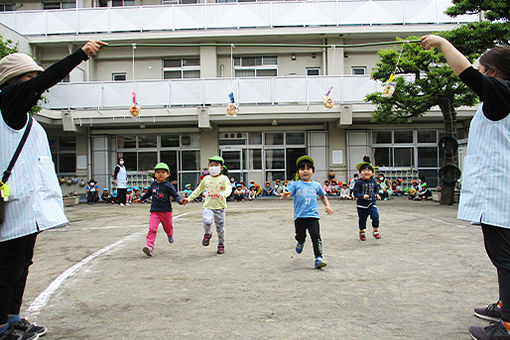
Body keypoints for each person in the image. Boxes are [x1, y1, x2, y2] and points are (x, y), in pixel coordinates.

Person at [0, 40, 106, 340]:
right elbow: (45, 81)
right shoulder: (8, 101)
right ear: (15, 82)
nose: (37, 85)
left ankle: (13, 319)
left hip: (25, 206)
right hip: (13, 205)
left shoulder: (20, 113)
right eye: (30, 78)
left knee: (21, 264)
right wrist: (80, 55)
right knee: (8, 267)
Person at [421, 34, 510, 340]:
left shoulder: (502, 93)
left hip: (499, 193)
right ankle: (504, 304)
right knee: (501, 253)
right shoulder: (500, 97)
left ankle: (508, 324)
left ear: (493, 74)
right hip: (497, 191)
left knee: (503, 255)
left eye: (481, 69)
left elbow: (468, 74)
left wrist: (443, 44)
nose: (477, 72)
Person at [281, 155, 333, 269]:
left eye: (308, 169)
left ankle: (318, 258)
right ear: (298, 172)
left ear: (313, 171)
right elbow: (288, 192)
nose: (305, 171)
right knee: (300, 235)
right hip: (299, 217)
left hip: (313, 216)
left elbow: (323, 196)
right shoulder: (295, 184)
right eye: (302, 169)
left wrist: (328, 206)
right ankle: (300, 242)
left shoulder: (316, 185)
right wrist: (286, 194)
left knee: (316, 236)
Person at [182, 156, 232, 254]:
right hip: (208, 206)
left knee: (220, 229)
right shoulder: (206, 179)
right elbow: (198, 190)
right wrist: (189, 198)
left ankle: (221, 244)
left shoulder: (224, 178)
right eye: (211, 165)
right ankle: (207, 233)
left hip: (220, 208)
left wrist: (223, 194)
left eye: (216, 165)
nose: (213, 167)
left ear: (221, 167)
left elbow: (229, 189)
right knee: (207, 221)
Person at [137, 162, 183, 257]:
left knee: (168, 228)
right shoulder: (153, 184)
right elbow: (148, 193)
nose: (160, 174)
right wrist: (141, 198)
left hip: (166, 212)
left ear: (168, 174)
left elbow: (175, 195)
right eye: (158, 172)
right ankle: (150, 246)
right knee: (152, 229)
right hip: (155, 211)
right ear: (155, 174)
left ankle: (170, 235)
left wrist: (180, 201)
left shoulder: (168, 185)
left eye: (163, 172)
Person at [353, 157, 382, 241]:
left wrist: (377, 194)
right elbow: (355, 193)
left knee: (375, 216)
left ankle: (375, 230)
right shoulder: (358, 182)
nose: (366, 172)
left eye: (369, 171)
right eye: (364, 170)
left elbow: (376, 188)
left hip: (371, 203)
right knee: (362, 219)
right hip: (361, 205)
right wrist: (362, 196)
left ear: (372, 173)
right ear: (360, 173)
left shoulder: (374, 181)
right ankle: (362, 232)